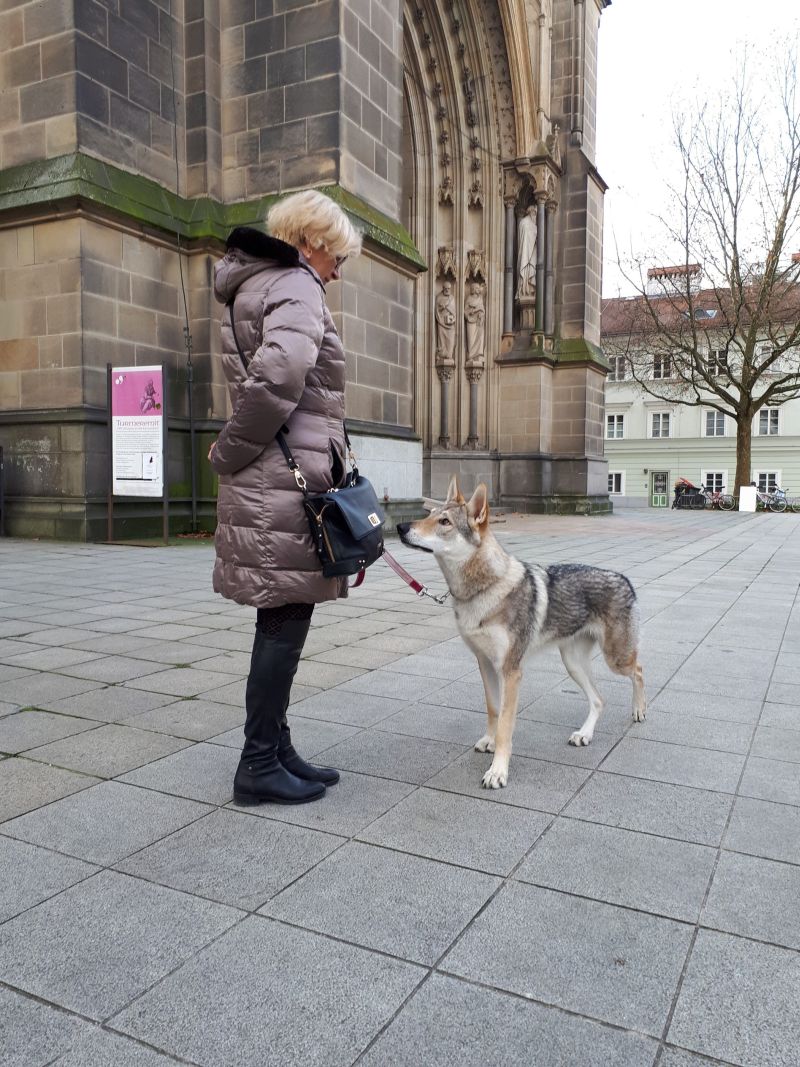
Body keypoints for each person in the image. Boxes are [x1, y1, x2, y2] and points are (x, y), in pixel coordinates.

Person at [208, 190, 362, 806]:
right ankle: (258, 763)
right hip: (283, 475)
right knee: (284, 620)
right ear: (313, 241)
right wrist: (228, 450)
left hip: (275, 472)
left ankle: (276, 746)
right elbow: (278, 374)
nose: (338, 269)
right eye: (337, 255)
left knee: (281, 615)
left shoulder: (256, 282)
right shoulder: (296, 283)